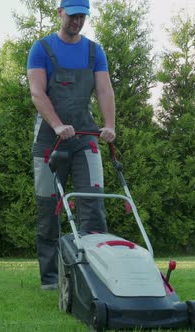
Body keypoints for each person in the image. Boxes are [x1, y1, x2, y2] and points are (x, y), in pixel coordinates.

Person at [26, 0, 116, 291]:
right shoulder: (42, 48)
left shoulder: (94, 51)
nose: (77, 21)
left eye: (82, 16)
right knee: (48, 209)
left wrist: (109, 125)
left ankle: (94, 275)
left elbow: (104, 89)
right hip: (48, 142)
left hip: (85, 137)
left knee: (93, 206)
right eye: (73, 15)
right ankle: (51, 279)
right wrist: (56, 125)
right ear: (60, 12)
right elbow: (37, 93)